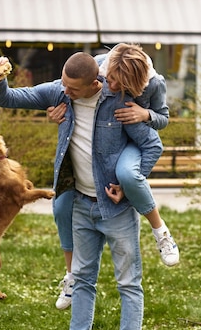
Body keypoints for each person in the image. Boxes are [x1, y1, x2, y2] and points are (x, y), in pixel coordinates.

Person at [0, 51, 162, 330]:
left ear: (95, 82)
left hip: (116, 208)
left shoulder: (118, 99)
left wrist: (131, 183)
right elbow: (8, 98)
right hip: (81, 203)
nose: (64, 92)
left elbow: (152, 142)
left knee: (128, 282)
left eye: (72, 88)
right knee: (81, 278)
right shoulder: (58, 92)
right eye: (63, 85)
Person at [49, 43, 179, 310]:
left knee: (128, 176)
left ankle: (161, 232)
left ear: (135, 82)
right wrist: (54, 109)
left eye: (116, 84)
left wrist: (146, 114)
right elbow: (70, 89)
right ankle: (71, 275)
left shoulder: (155, 84)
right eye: (108, 79)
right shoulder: (99, 66)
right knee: (61, 204)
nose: (108, 86)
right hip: (109, 135)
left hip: (136, 138)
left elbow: (163, 119)